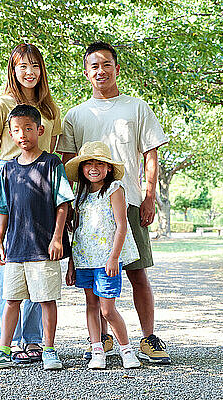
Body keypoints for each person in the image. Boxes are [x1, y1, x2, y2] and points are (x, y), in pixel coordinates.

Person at [57, 41, 171, 364]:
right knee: (94, 278)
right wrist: (69, 211)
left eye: (106, 64)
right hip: (88, 209)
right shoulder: (76, 115)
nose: (100, 71)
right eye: (94, 66)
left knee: (137, 273)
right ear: (86, 72)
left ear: (116, 68)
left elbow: (151, 153)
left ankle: (149, 339)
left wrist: (149, 195)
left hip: (128, 203)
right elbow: (68, 163)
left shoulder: (136, 108)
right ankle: (103, 341)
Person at [0, 105, 74, 370]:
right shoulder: (7, 169)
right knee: (11, 301)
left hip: (44, 248)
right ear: (10, 134)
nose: (23, 135)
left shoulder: (51, 163)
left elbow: (62, 204)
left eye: (29, 129)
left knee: (45, 299)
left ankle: (49, 349)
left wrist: (57, 239)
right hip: (15, 248)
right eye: (17, 130)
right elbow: (1, 209)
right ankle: (3, 350)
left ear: (40, 131)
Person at [0, 43, 62, 363]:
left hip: (41, 195)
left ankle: (32, 339)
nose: (29, 72)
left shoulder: (51, 111)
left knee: (38, 268)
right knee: (7, 271)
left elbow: (51, 154)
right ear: (12, 71)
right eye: (22, 66)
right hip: (8, 189)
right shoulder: (0, 105)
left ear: (42, 71)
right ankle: (6, 340)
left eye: (35, 66)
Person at [64, 141, 142, 370]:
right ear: (82, 168)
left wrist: (114, 257)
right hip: (84, 260)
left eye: (99, 163)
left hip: (106, 260)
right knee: (91, 305)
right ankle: (97, 349)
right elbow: (77, 231)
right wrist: (71, 264)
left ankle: (126, 349)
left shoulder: (114, 189)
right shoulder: (81, 194)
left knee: (107, 309)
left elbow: (121, 226)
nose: (93, 168)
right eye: (88, 163)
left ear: (108, 168)